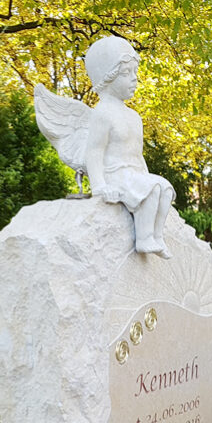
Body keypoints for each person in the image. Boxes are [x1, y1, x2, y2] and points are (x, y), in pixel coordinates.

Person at [83, 37, 175, 258]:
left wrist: (145, 175)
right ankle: (144, 239)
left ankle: (157, 237)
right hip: (116, 175)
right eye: (126, 74)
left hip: (134, 173)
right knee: (151, 189)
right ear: (108, 77)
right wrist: (99, 186)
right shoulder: (102, 113)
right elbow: (94, 152)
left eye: (135, 73)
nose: (134, 79)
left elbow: (138, 153)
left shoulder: (134, 117)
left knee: (164, 188)